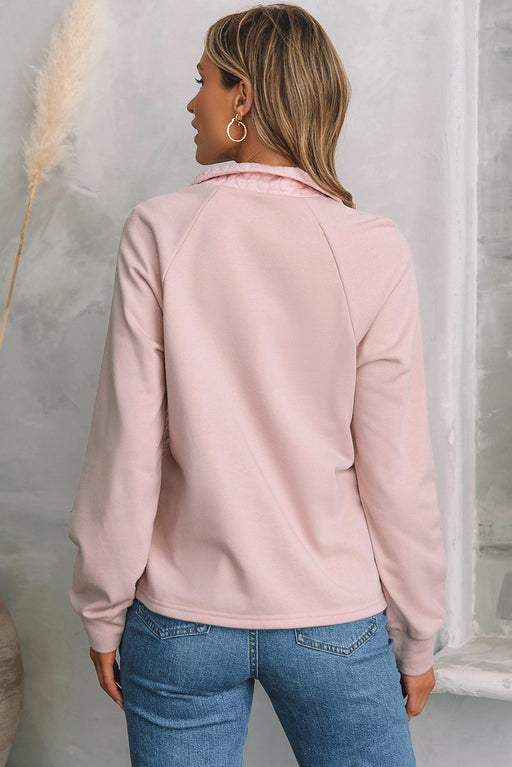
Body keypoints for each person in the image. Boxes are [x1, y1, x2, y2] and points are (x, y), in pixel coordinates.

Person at [68, 4, 447, 766]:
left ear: (242, 97)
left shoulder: (158, 230)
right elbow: (396, 471)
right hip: (332, 617)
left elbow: (127, 450)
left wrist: (102, 609)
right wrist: (417, 632)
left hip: (180, 621)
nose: (192, 102)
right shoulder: (372, 248)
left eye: (203, 81)